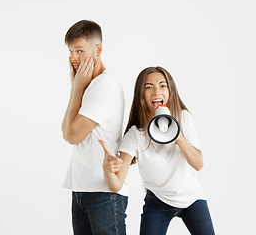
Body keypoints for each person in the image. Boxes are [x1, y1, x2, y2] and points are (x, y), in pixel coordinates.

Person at [100, 66, 215, 235]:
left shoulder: (183, 118)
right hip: (158, 203)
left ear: (170, 91)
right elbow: (116, 184)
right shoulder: (135, 134)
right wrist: (107, 170)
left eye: (162, 85)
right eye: (148, 87)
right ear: (141, 94)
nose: (156, 91)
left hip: (192, 198)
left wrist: (177, 136)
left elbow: (198, 164)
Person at [61, 20, 128, 235]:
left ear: (98, 49)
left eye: (80, 50)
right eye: (71, 51)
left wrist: (77, 88)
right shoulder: (89, 85)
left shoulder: (105, 85)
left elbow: (72, 135)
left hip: (103, 193)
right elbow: (66, 132)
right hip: (82, 189)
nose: (74, 58)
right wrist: (77, 88)